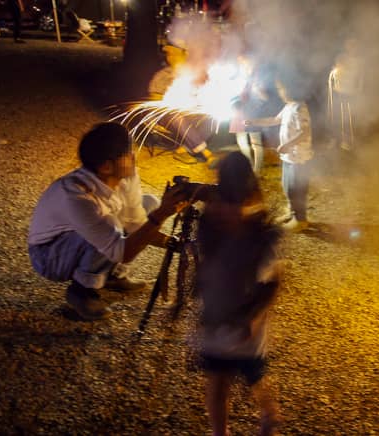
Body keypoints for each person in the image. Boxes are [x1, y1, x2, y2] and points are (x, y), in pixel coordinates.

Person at [28, 122, 192, 320]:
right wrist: (162, 214)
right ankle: (82, 293)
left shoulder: (126, 174)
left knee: (148, 204)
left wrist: (172, 242)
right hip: (50, 255)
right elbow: (122, 251)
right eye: (127, 154)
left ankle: (112, 276)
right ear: (106, 166)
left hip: (91, 235)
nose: (133, 158)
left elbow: (137, 224)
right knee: (107, 229)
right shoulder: (79, 199)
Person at [196, 151, 282, 436]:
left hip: (241, 318)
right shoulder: (211, 220)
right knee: (228, 377)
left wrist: (252, 319)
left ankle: (269, 414)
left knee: (249, 374)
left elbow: (271, 283)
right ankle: (226, 430)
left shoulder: (261, 232)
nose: (227, 212)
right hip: (222, 315)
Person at [245, 81, 313, 232]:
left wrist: (288, 144)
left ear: (291, 91)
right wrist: (253, 122)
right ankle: (292, 213)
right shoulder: (289, 106)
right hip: (289, 157)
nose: (280, 93)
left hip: (299, 158)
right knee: (287, 185)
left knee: (297, 188)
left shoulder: (299, 108)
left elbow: (305, 132)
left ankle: (300, 220)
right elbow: (275, 120)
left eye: (282, 90)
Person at [147, 40, 217, 165]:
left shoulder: (194, 75)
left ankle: (182, 150)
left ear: (185, 55)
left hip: (189, 113)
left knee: (212, 117)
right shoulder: (162, 75)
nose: (170, 57)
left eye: (175, 54)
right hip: (165, 116)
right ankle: (207, 153)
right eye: (169, 54)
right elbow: (155, 102)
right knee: (175, 115)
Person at [229, 57, 283, 174]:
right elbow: (232, 95)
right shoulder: (237, 76)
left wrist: (258, 91)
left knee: (256, 143)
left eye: (245, 62)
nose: (243, 64)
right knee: (242, 142)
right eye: (241, 62)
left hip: (253, 113)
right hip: (239, 113)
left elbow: (266, 97)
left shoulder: (259, 78)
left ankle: (257, 169)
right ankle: (249, 166)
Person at [328, 37, 364, 151]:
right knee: (337, 117)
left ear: (357, 47)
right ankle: (335, 140)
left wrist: (359, 89)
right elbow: (337, 68)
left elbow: (360, 76)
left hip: (351, 93)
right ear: (346, 46)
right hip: (339, 91)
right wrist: (336, 71)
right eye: (349, 45)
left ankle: (348, 141)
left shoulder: (360, 61)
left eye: (354, 45)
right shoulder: (341, 57)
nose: (351, 47)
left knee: (349, 119)